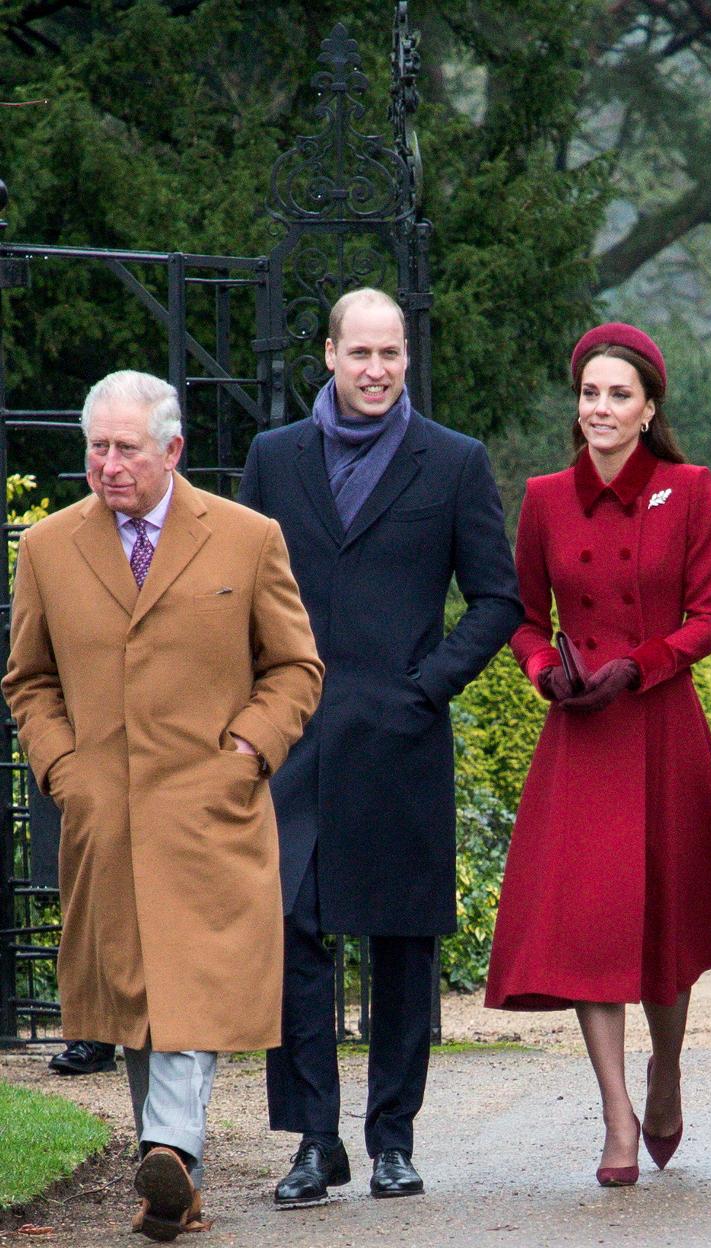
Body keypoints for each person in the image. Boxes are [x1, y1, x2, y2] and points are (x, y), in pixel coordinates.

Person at [4, 370, 323, 1240]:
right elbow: (29, 680)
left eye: (126, 449)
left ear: (172, 451)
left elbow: (296, 667)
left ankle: (171, 1150)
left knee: (191, 982)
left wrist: (250, 751)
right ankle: (172, 1175)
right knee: (141, 994)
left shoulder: (247, 538)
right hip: (105, 812)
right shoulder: (49, 547)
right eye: (96, 448)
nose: (108, 466)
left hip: (210, 808)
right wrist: (64, 768)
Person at [239, 288, 521, 1206]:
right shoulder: (275, 460)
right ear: (327, 355)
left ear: (407, 358)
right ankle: (315, 1143)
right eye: (359, 353)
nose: (375, 370)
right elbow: (238, 595)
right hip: (300, 740)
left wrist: (425, 688)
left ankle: (393, 1138)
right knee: (296, 939)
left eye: (390, 354)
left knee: (401, 947)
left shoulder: (452, 462)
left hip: (401, 741)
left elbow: (497, 600)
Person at [484, 322, 711, 1186]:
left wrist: (637, 667)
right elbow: (524, 616)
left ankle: (667, 1068)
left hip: (659, 725)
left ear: (648, 409)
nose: (601, 408)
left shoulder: (687, 490)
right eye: (589, 394)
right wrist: (545, 671)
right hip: (580, 735)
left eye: (618, 395)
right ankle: (616, 1117)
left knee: (664, 924)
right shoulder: (543, 497)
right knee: (590, 926)